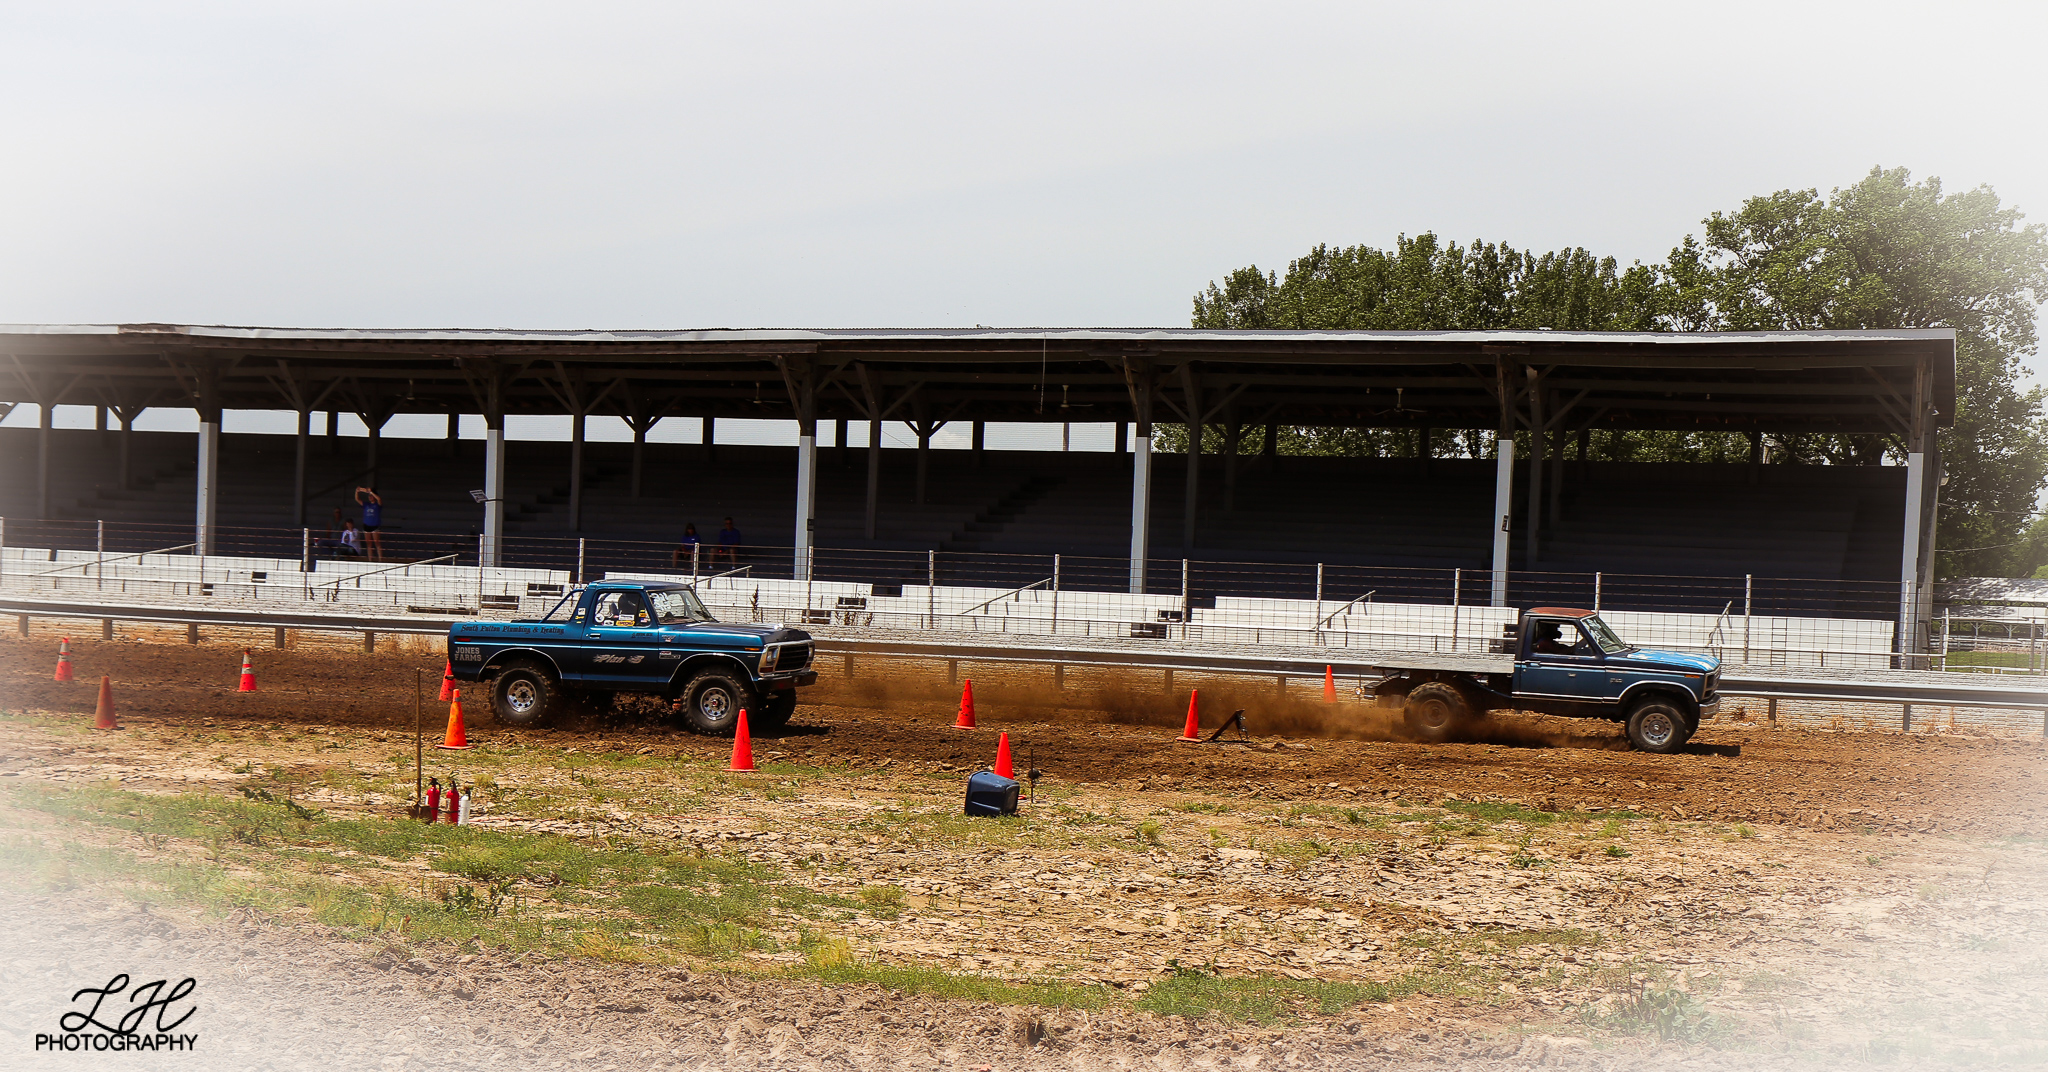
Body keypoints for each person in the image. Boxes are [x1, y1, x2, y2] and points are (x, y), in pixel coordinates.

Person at [355, 487, 384, 561]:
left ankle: (380, 560)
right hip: (367, 525)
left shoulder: (377, 504)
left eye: (371, 496)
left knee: (377, 543)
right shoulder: (366, 504)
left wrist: (371, 492)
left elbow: (379, 499)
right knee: (369, 544)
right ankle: (370, 559)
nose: (370, 497)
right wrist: (357, 491)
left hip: (375, 525)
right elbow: (357, 499)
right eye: (369, 496)